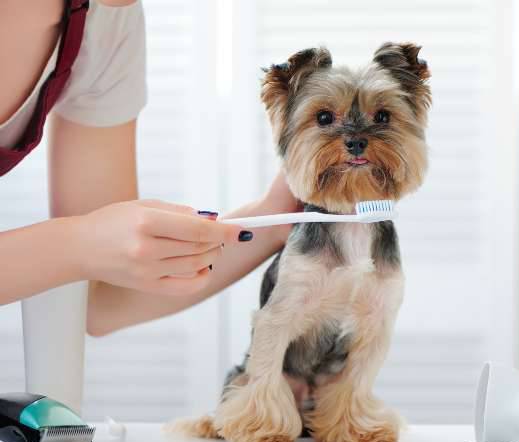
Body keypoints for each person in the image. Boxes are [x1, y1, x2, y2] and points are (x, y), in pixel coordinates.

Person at [0, 0, 298, 335]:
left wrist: (273, 219)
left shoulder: (108, 21)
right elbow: (88, 254)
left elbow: (101, 299)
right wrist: (78, 244)